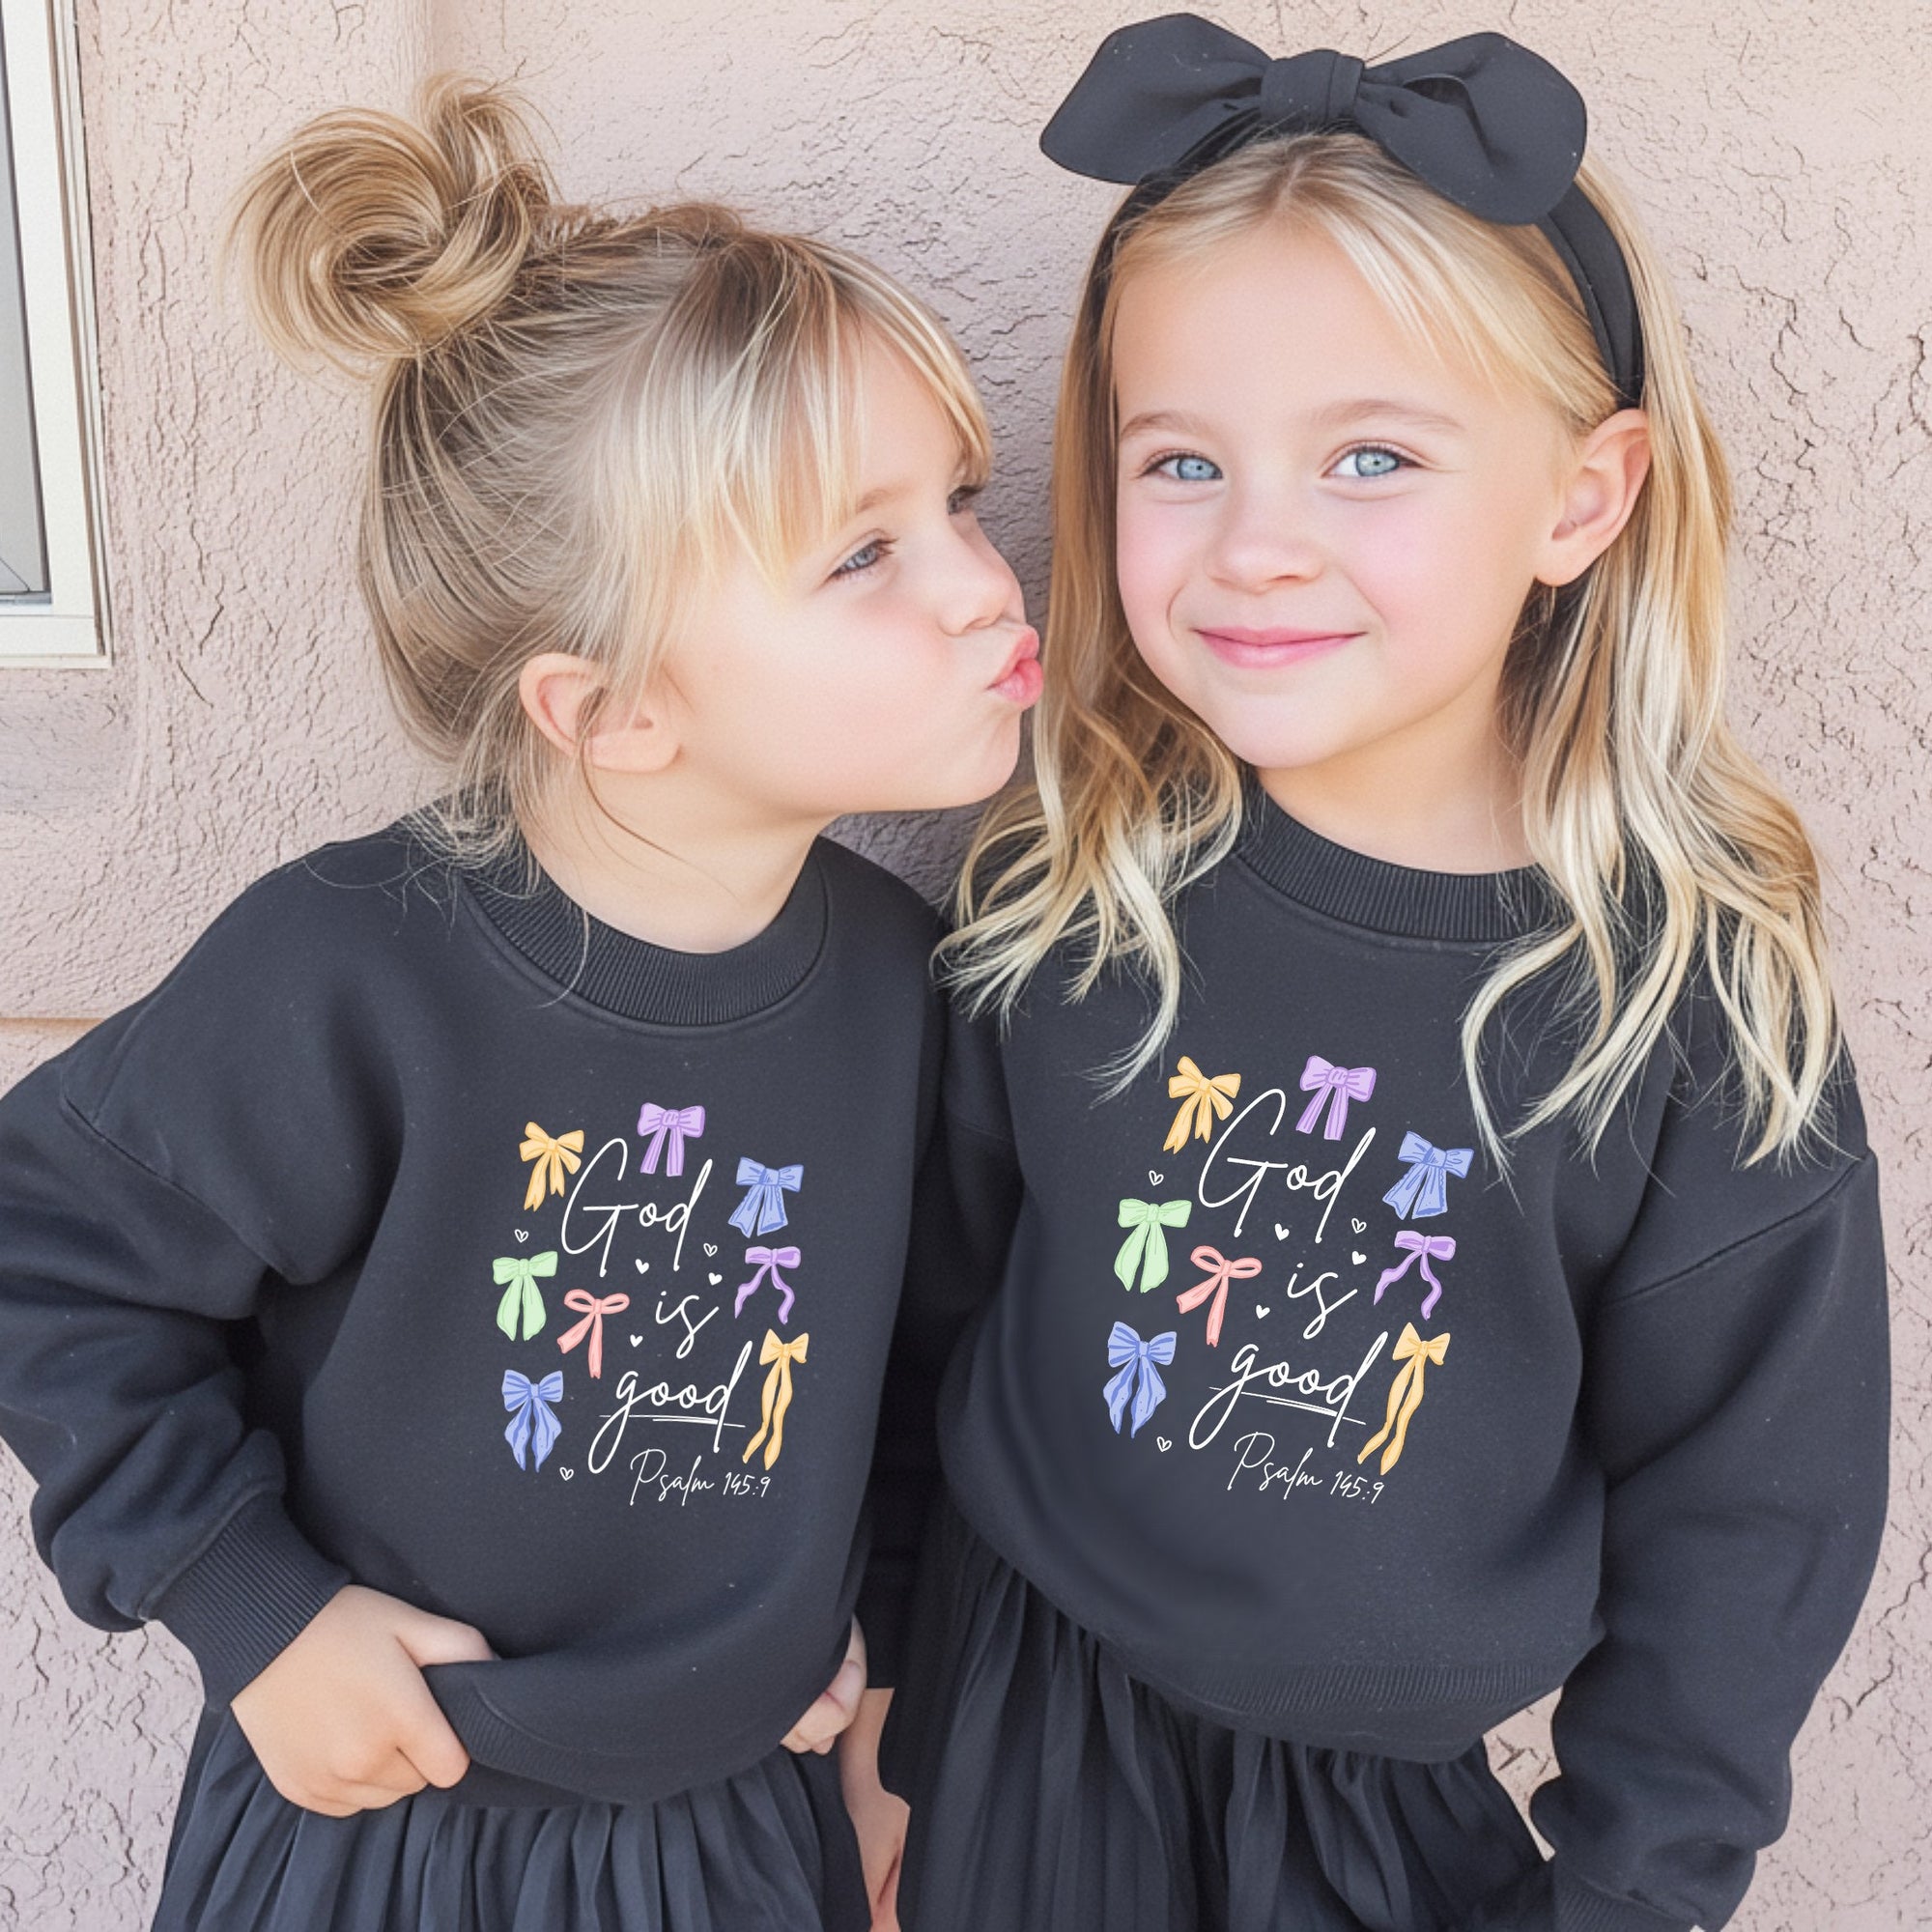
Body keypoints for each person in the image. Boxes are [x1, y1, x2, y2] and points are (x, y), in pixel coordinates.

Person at [879, 19, 1889, 1932]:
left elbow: (1748, 1514)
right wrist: (886, 1713)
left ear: (1581, 500)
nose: (1256, 547)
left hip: (1378, 1831)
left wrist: (1632, 1891)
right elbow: (937, 1321)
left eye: (1370, 457)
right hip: (1012, 1731)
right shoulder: (1074, 890)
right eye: (1181, 458)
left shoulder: (1682, 1004)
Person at [0, 75, 1038, 1932]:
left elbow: (912, 1386)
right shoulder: (356, 971)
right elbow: (41, 1246)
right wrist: (253, 1605)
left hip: (735, 1840)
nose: (984, 583)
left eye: (956, 499)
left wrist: (892, 1688)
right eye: (866, 552)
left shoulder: (900, 1000)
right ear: (614, 708)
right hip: (382, 1830)